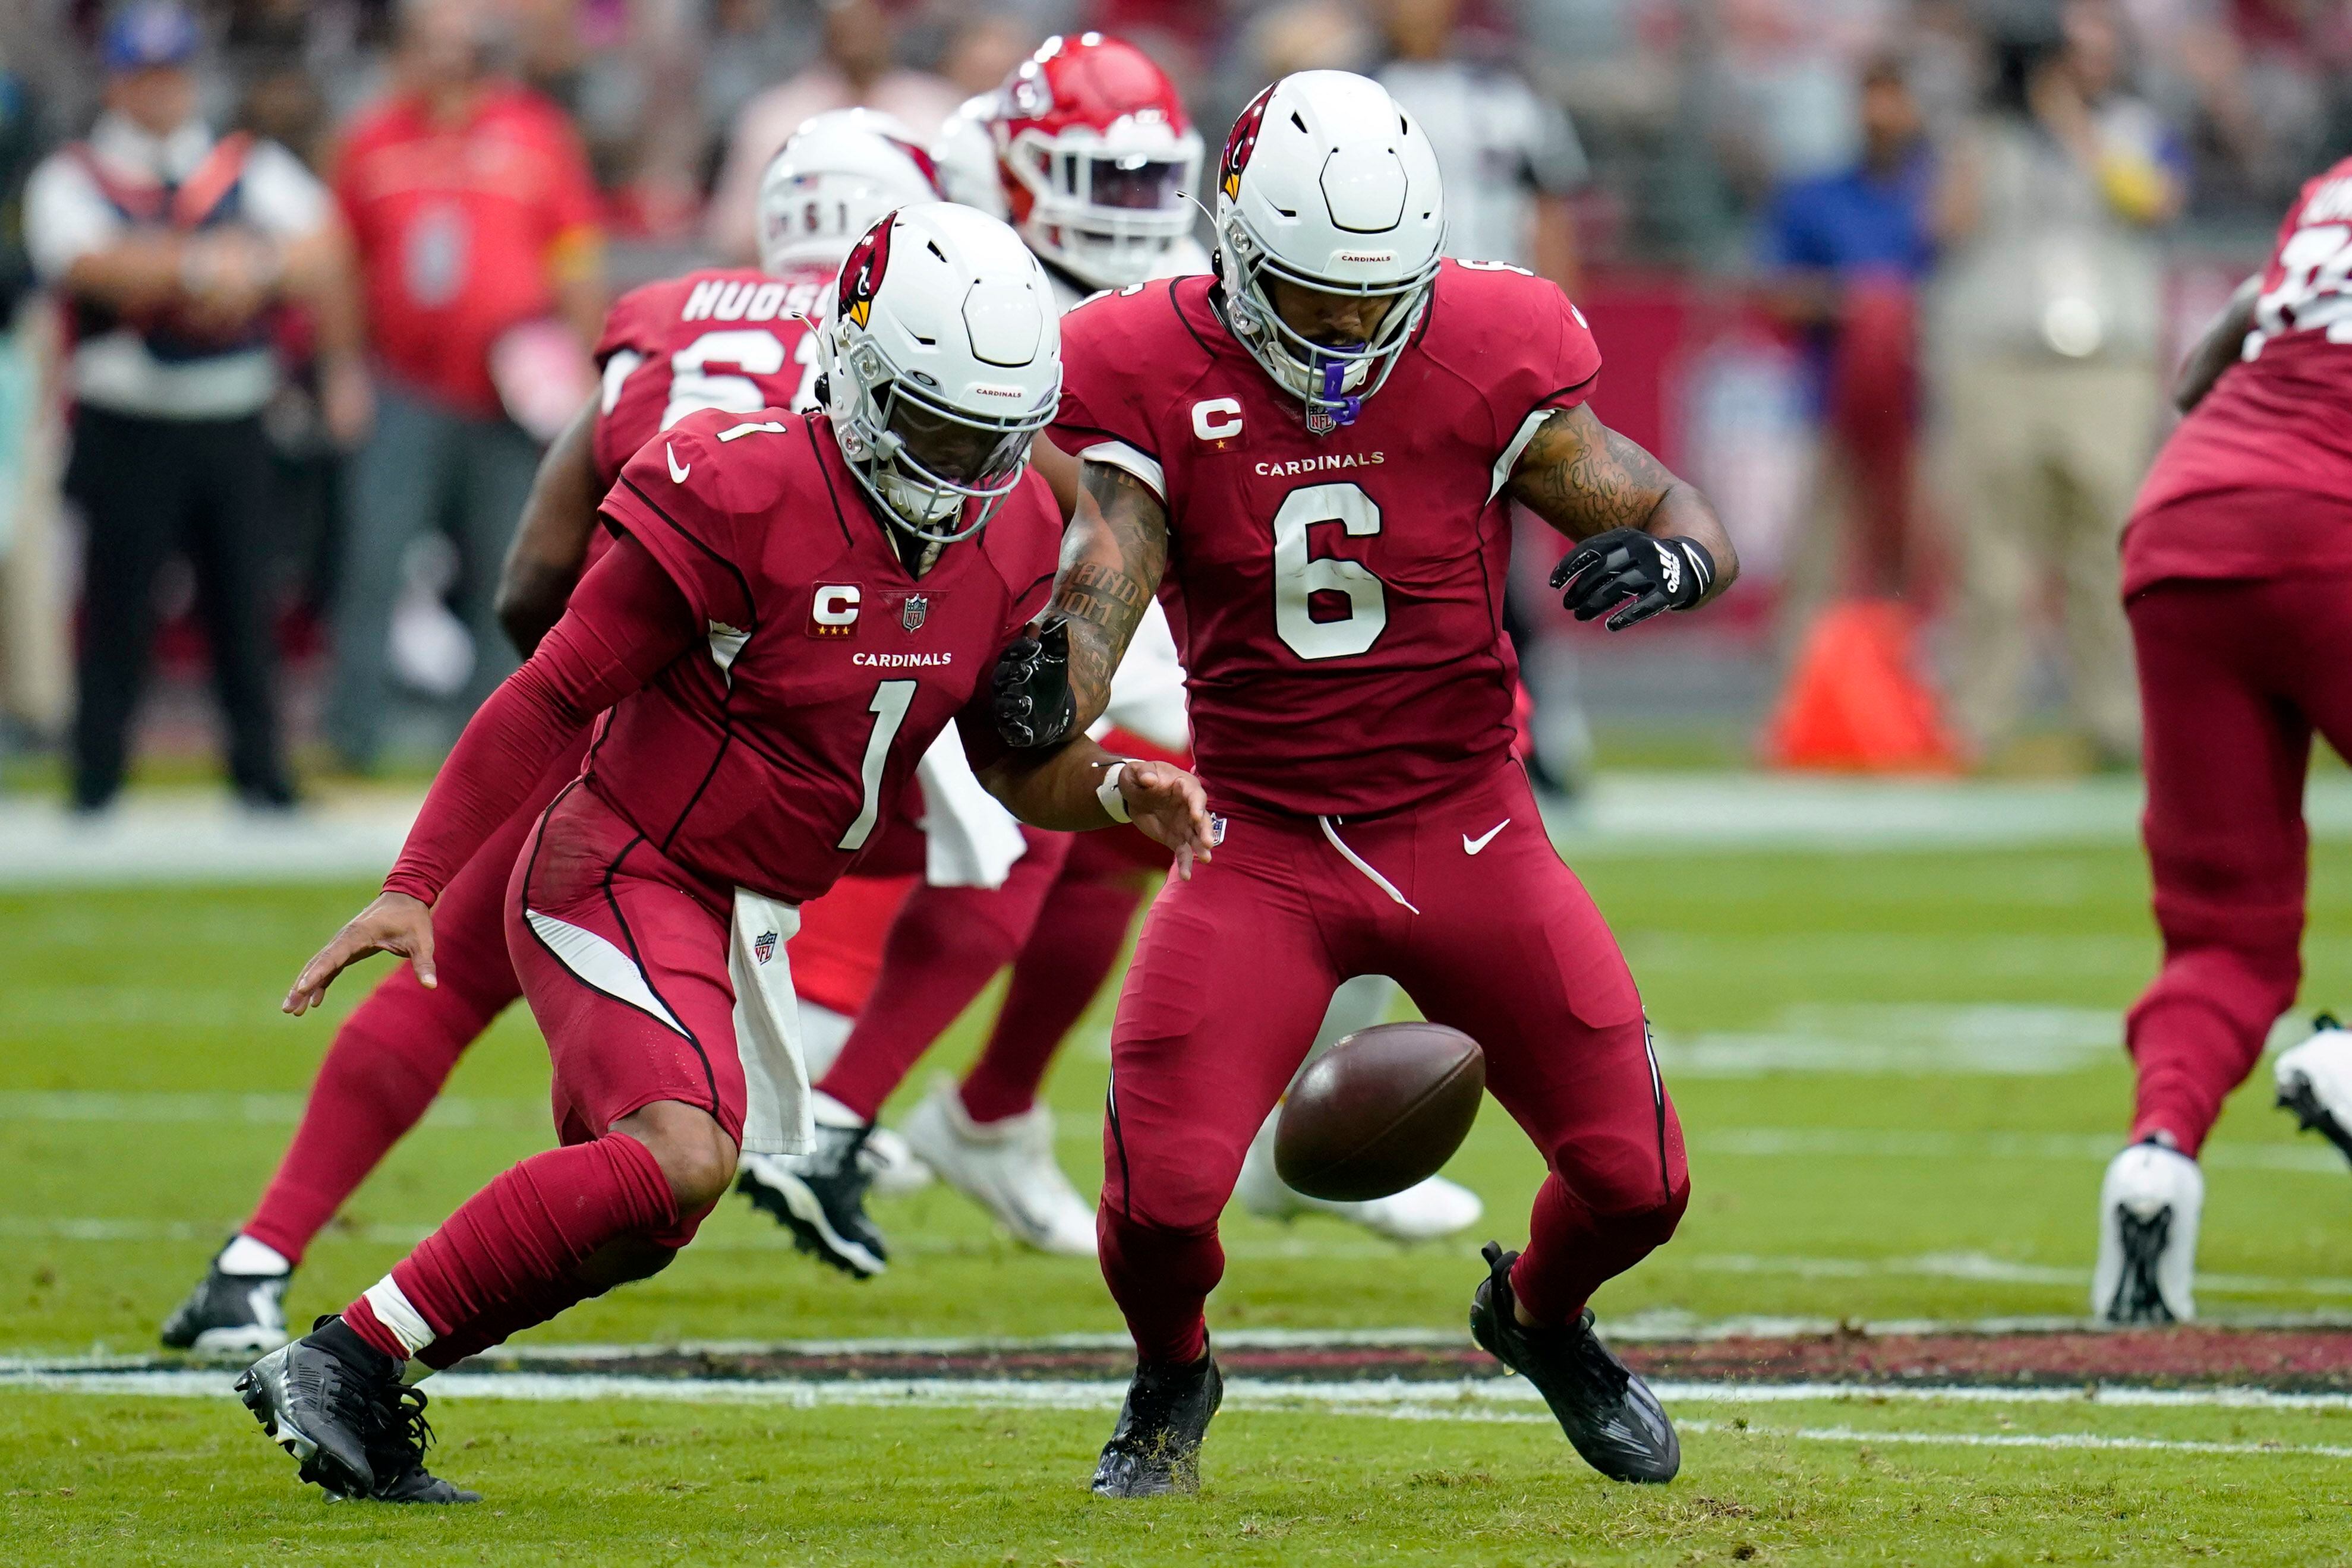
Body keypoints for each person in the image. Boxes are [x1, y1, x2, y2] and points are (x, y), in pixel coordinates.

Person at [238, 203, 1214, 1504]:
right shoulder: (743, 481)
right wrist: (417, 883)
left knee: (657, 1207)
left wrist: (1114, 784)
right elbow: (552, 687)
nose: (963, 461)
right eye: (936, 424)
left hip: (737, 900)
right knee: (680, 1153)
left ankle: (358, 1366)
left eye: (992, 432)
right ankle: (343, 1356)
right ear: (862, 378)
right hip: (622, 861)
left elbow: (1000, 759)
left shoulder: (1010, 527)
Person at [996, 70, 1736, 1496]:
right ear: (1231, 248)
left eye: (1372, 297)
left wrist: (1680, 557)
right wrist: (1054, 686)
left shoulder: (1489, 338)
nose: (1345, 329)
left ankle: (1537, 1315)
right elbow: (1103, 591)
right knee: (1158, 1206)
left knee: (1640, 1186)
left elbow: (1658, 499)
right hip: (1262, 840)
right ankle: (1170, 1377)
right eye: (1314, 297)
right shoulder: (1150, 367)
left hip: (1468, 826)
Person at [157, 115, 943, 1356]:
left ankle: (253, 1262)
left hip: (599, 685)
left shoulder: (671, 311)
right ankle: (845, 1113)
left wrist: (586, 674)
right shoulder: (914, 367)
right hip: (709, 740)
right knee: (967, 868)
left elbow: (536, 572)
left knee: (446, 970)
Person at [753, 35, 1481, 1276]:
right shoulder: (943, 219)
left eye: (1152, 184)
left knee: (1269, 806)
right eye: (1106, 180)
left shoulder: (1201, 267)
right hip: (942, 558)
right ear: (1023, 164)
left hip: (1093, 566)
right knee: (1035, 821)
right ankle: (838, 1077)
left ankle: (978, 1105)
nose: (1134, 213)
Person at [2090, 152, 2352, 1325]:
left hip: (2190, 514)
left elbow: (2219, 350)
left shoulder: (2334, 185)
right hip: (2330, 520)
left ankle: (2155, 1156)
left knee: (2222, 935)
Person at [24, 2, 365, 812]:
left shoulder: (240, 163)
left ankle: (263, 771)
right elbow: (89, 264)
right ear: (115, 80)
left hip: (229, 412)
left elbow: (325, 250)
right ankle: (97, 774)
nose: (159, 91)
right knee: (115, 605)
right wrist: (207, 271)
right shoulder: (75, 170)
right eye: (143, 75)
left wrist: (241, 266)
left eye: (170, 73)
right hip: (127, 416)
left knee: (245, 601)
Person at [326, 0, 607, 771]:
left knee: (511, 568)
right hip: (403, 383)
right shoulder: (372, 139)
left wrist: (588, 363)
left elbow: (575, 253)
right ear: (406, 53)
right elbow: (341, 267)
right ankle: (354, 731)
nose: (450, 60)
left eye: (462, 46)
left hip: (511, 392)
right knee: (374, 556)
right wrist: (342, 370)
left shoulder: (535, 133)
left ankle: (494, 745)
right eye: (433, 45)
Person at [1930, 2, 2182, 767]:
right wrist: (1991, 124)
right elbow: (1945, 225)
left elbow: (2151, 201)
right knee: (1992, 552)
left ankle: (2116, 721)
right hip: (1997, 359)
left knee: (2107, 545)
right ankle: (1979, 714)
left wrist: (2070, 123)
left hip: (2103, 366)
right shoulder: (1981, 135)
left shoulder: (2134, 130)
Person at [1755, 56, 1939, 641]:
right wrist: (1856, 304)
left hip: (1928, 406)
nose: (1880, 114)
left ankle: (1916, 688)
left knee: (1925, 546)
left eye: (1893, 98)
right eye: (1871, 98)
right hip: (1835, 397)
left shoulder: (1942, 195)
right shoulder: (1816, 196)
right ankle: (1799, 688)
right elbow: (1776, 291)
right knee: (1819, 550)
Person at [704, 0, 961, 265]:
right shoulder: (775, 117)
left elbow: (961, 228)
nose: (856, 28)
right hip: (798, 280)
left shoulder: (938, 112)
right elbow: (734, 235)